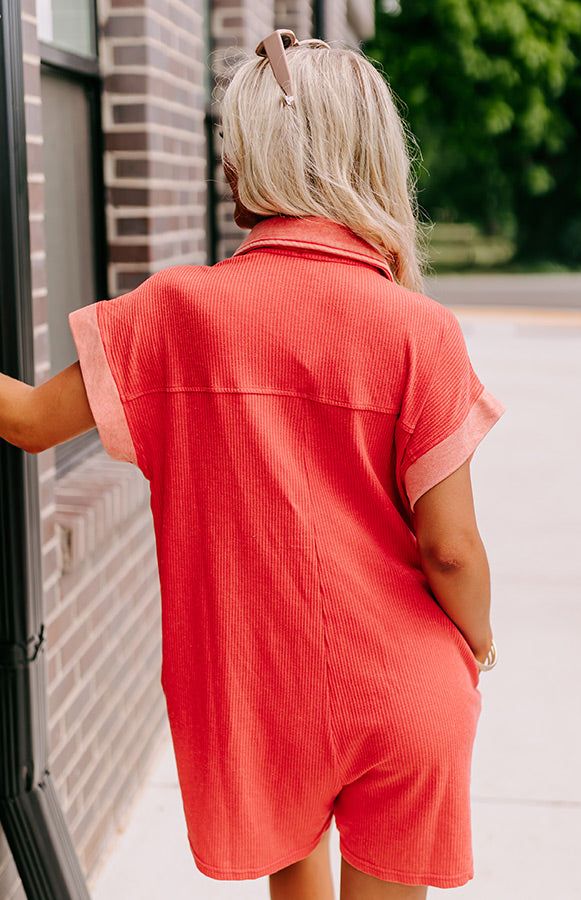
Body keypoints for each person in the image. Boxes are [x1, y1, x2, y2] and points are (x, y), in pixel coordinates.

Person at [0, 28, 506, 900]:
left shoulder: (176, 313)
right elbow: (451, 548)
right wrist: (479, 639)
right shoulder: (419, 330)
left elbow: (30, 420)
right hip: (403, 690)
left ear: (254, 162)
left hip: (259, 693)